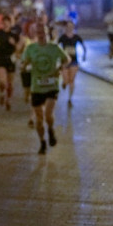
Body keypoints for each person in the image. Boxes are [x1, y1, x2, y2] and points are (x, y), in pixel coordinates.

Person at [20, 21, 70, 154]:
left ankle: (51, 130)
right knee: (39, 117)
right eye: (39, 33)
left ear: (48, 33)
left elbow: (67, 59)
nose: (41, 35)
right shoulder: (31, 48)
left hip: (51, 85)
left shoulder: (54, 48)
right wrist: (24, 66)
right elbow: (24, 63)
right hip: (37, 87)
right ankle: (42, 142)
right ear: (36, 34)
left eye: (44, 32)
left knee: (48, 114)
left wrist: (60, 68)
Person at [56, 21, 86, 106]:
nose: (69, 28)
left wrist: (84, 55)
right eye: (68, 26)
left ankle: (70, 98)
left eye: (71, 26)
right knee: (66, 79)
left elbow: (83, 45)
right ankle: (64, 83)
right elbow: (56, 47)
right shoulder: (63, 37)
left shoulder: (76, 37)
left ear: (73, 27)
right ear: (66, 28)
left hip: (74, 61)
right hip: (65, 61)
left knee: (72, 80)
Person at [0, 16, 19, 111]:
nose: (6, 23)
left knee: (10, 84)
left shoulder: (14, 34)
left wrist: (14, 44)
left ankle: (8, 100)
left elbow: (18, 48)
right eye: (5, 22)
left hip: (10, 59)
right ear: (3, 23)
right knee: (2, 81)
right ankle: (1, 93)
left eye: (8, 22)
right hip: (1, 58)